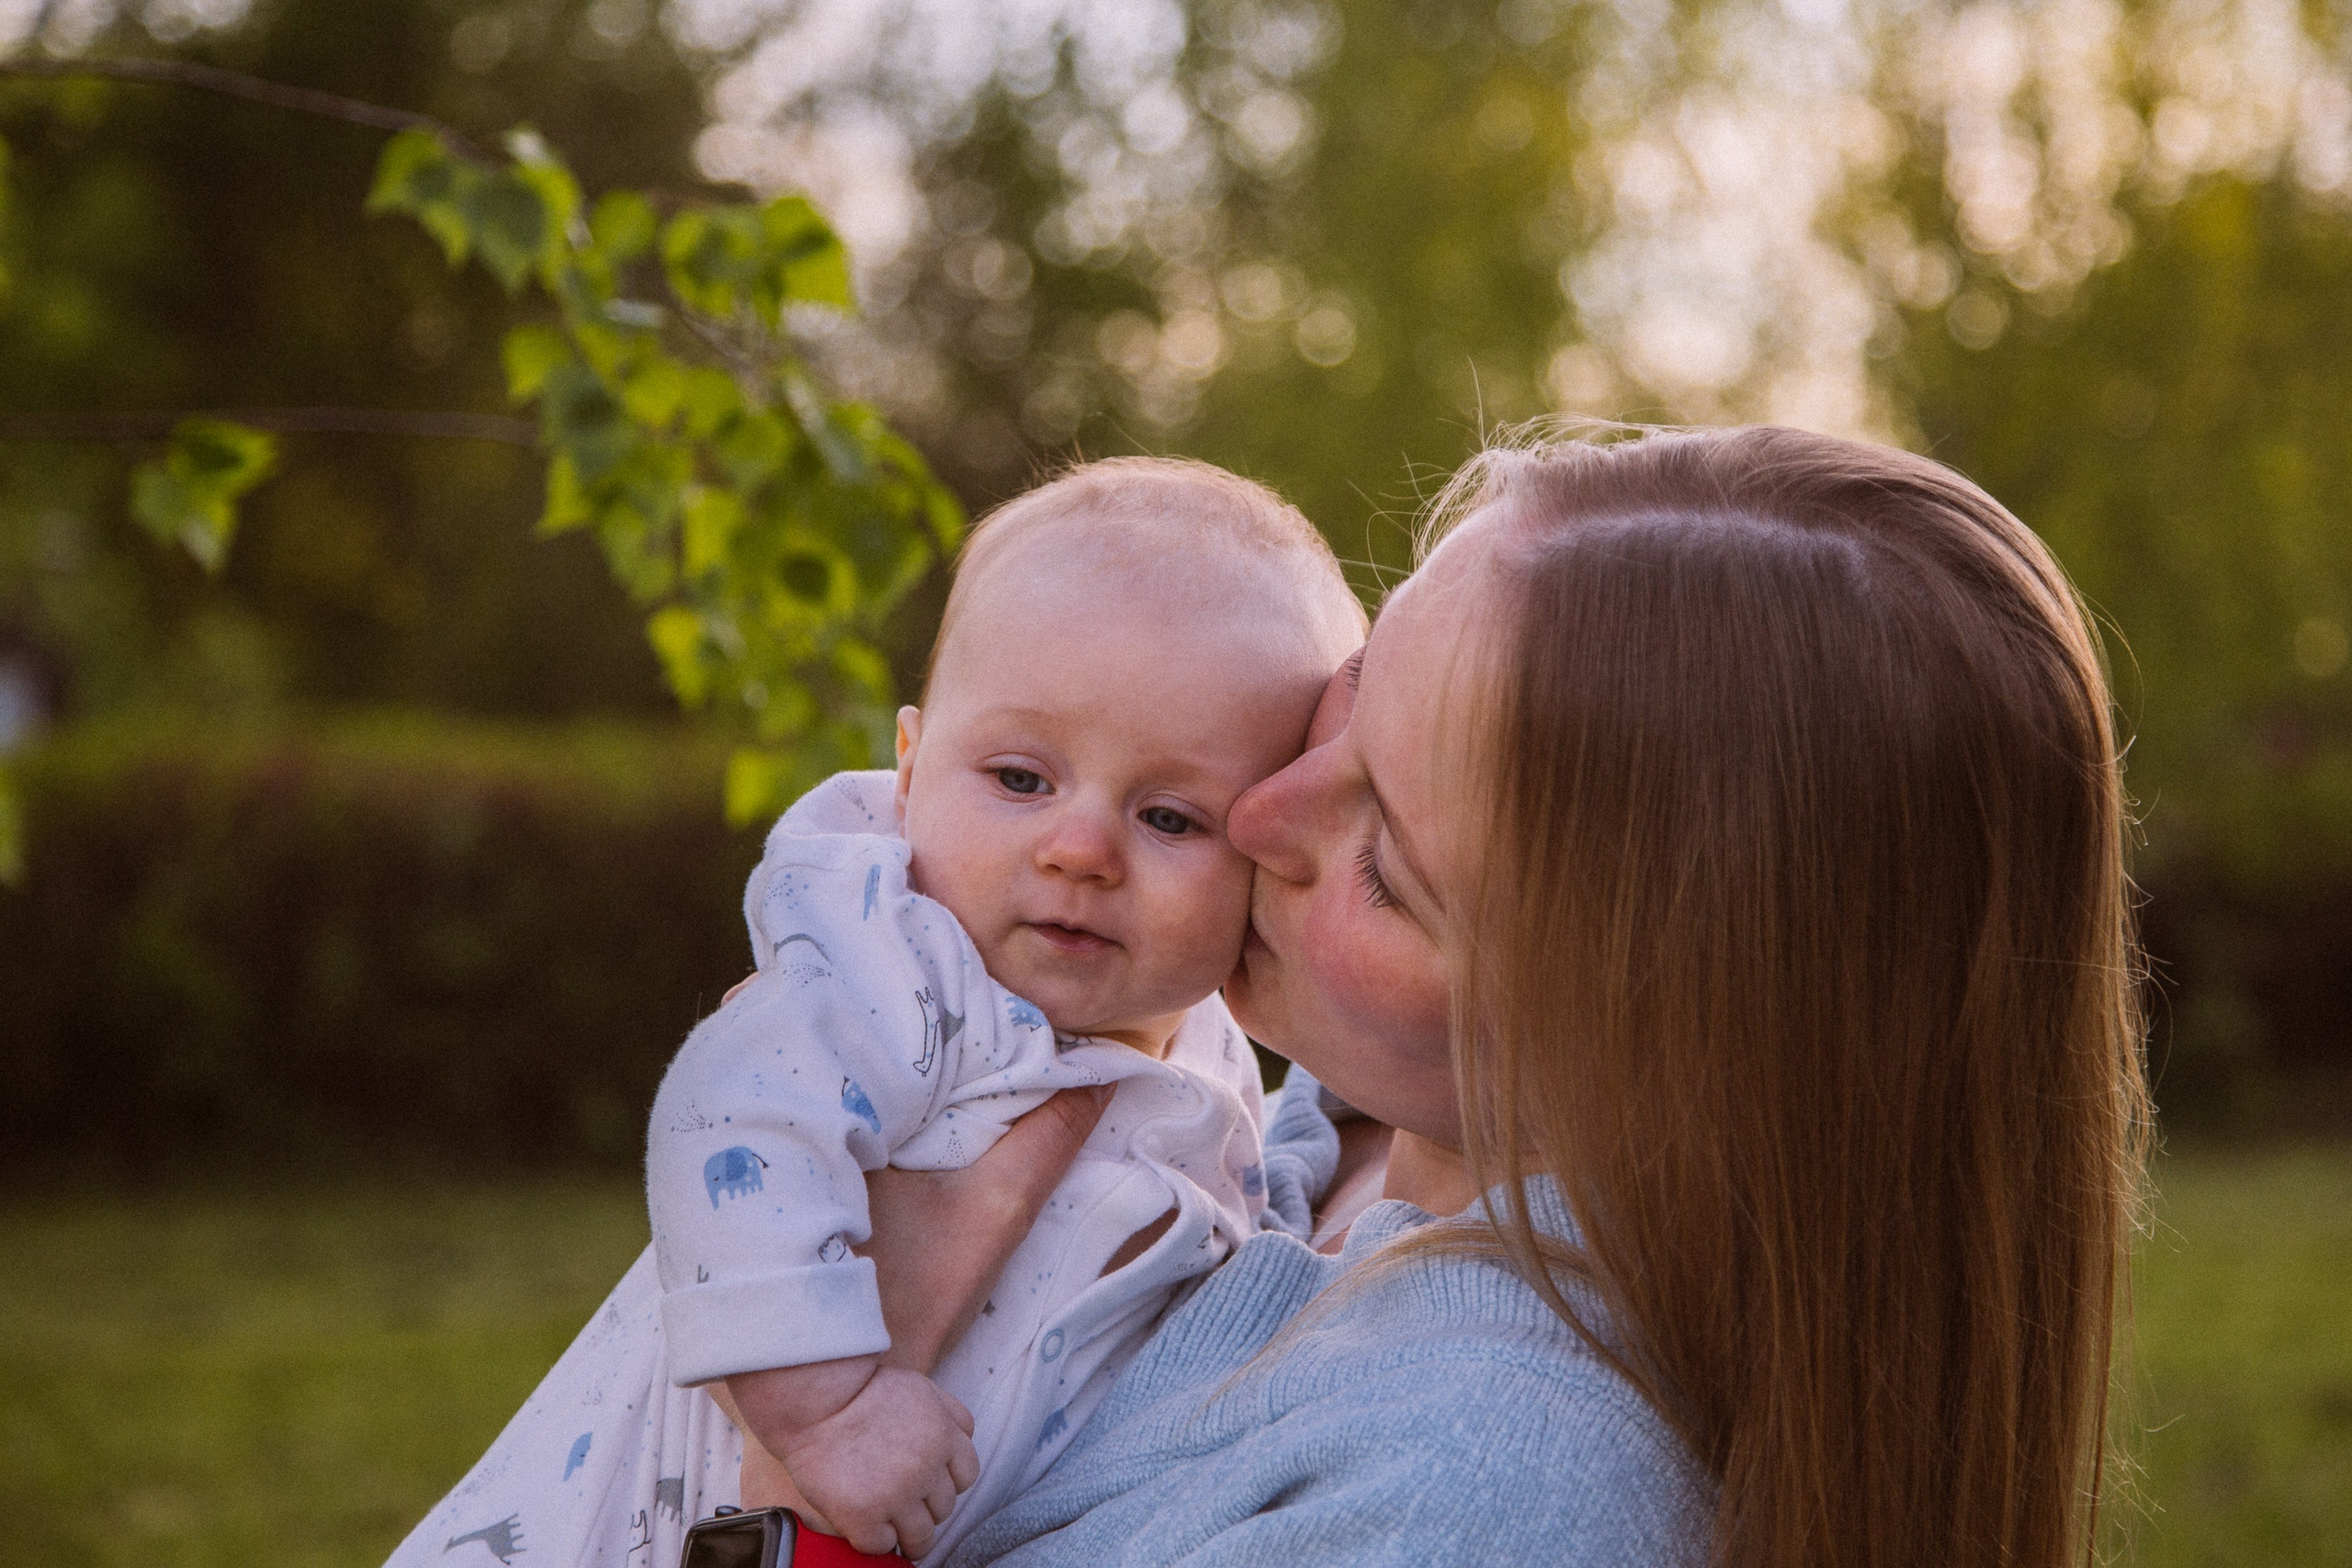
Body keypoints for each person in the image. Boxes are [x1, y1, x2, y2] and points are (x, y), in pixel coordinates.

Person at [777, 424, 2151, 1568]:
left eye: (1387, 865)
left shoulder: (1487, 1496)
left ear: (1649, 1040)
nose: (1252, 809)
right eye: (1352, 696)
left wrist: (799, 1448)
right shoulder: (1328, 1117)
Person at [390, 457, 1366, 1568]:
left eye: (1172, 817)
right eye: (1019, 778)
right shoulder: (899, 962)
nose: (1079, 849)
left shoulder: (1208, 1053)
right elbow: (731, 1121)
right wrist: (824, 1413)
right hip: (628, 1527)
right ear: (907, 771)